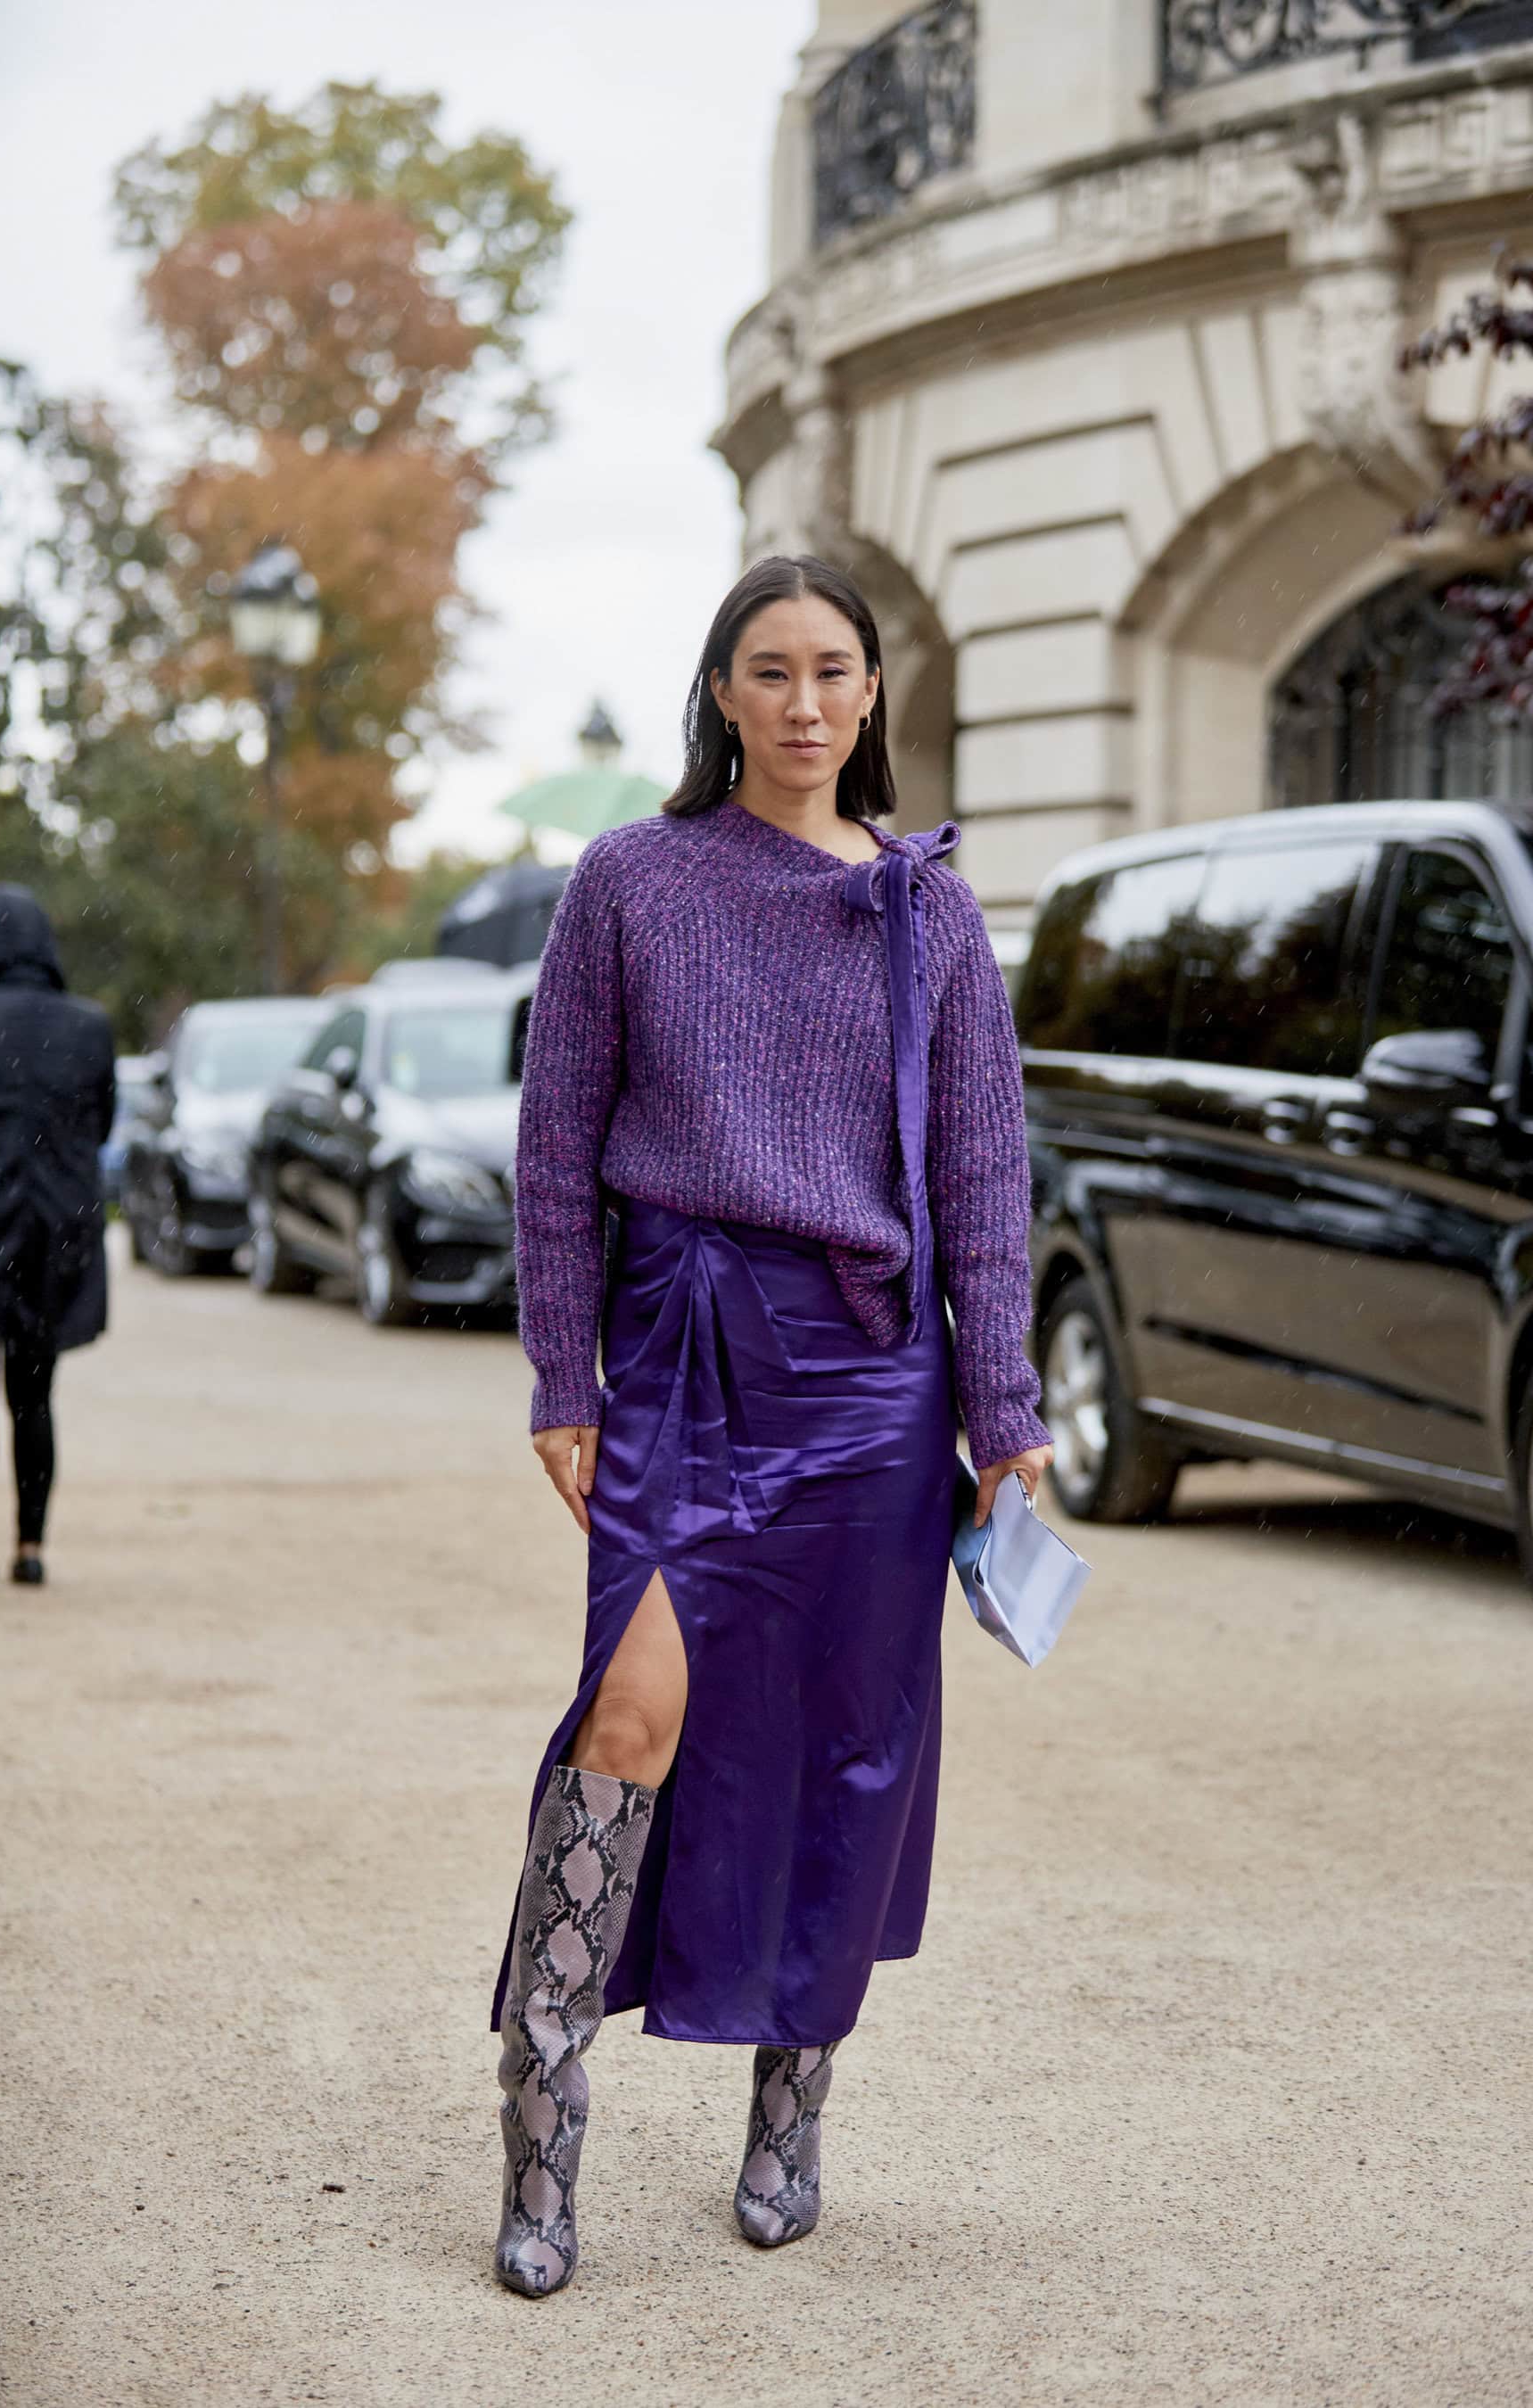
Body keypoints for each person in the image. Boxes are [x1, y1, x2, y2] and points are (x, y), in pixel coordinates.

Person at [490, 555, 1052, 2297]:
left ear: (871, 699)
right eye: (770, 670)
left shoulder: (927, 911)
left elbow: (978, 1174)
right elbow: (556, 1144)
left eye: (834, 671)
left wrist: (1008, 1414)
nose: (805, 701)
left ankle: (791, 2103)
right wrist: (564, 1372)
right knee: (634, 1715)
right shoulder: (632, 882)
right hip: (680, 1350)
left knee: (841, 1745)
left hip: (871, 1382)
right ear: (720, 696)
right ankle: (542, 2106)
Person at [0, 887, 115, 1586]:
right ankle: (30, 1547)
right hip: (53, 1235)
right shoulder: (89, 1026)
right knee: (34, 1397)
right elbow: (99, 1127)